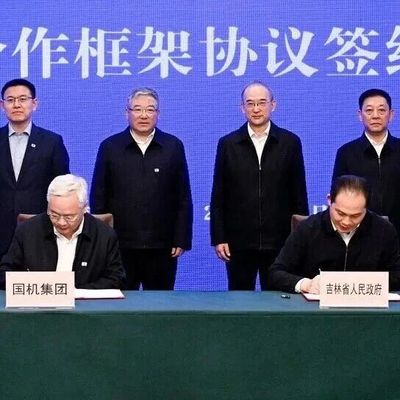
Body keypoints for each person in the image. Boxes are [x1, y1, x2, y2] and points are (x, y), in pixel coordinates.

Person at [90, 87, 193, 290]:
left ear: (158, 113)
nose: (144, 115)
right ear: (126, 113)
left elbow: (182, 196)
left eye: (150, 110)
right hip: (120, 245)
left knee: (160, 303)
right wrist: (102, 240)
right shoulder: (110, 147)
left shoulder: (173, 146)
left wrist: (181, 238)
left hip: (162, 245)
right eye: (137, 109)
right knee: (121, 302)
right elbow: (99, 196)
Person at [210, 81, 308, 290]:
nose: (256, 109)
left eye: (262, 103)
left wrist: (300, 238)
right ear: (242, 108)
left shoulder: (290, 142)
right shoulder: (228, 144)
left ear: (273, 105)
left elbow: (299, 193)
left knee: (277, 299)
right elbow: (219, 194)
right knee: (239, 298)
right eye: (250, 103)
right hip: (238, 241)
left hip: (280, 241)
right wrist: (219, 237)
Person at [269, 175, 400, 293]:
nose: (346, 222)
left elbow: (397, 274)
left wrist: (366, 283)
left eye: (355, 216)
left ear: (366, 208)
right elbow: (276, 272)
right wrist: (306, 285)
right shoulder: (308, 228)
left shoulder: (383, 230)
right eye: (340, 213)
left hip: (368, 305)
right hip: (315, 307)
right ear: (329, 200)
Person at [0, 174, 125, 289]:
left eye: (69, 217)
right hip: (39, 302)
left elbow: (116, 278)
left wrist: (76, 292)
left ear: (84, 208)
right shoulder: (27, 231)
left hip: (85, 304)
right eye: (54, 215)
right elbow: (5, 273)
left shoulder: (104, 235)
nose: (61, 222)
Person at [0, 78, 70, 258]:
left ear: (34, 104)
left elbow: (62, 188)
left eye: (23, 99)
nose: (17, 105)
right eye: (10, 100)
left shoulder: (52, 142)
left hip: (39, 231)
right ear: (2, 105)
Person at [332, 88, 400, 239]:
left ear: (391, 114)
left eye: (381, 110)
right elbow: (339, 196)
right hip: (359, 234)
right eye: (369, 110)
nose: (375, 115)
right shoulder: (346, 152)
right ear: (360, 115)